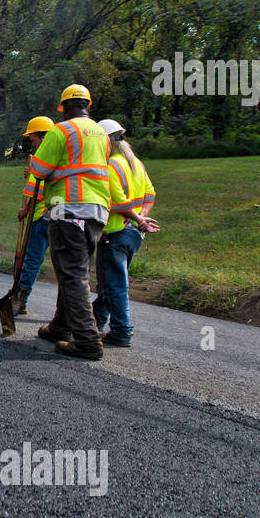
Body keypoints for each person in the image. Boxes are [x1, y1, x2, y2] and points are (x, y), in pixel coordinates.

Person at [26, 85, 113, 360]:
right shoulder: (101, 133)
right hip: (97, 212)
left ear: (63, 108)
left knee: (73, 276)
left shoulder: (60, 131)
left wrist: (32, 163)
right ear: (88, 104)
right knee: (71, 270)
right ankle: (61, 327)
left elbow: (39, 170)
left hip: (69, 210)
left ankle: (87, 340)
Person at [93, 119, 160, 347]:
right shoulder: (136, 163)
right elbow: (149, 195)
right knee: (110, 282)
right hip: (134, 235)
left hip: (115, 232)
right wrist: (141, 218)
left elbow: (118, 203)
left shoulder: (111, 166)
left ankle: (121, 331)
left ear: (106, 141)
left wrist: (137, 218)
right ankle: (95, 322)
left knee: (114, 285)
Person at [0, 115, 55, 316]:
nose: (32, 142)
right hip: (53, 215)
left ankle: (18, 301)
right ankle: (19, 298)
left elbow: (35, 190)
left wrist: (25, 210)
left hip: (40, 216)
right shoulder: (59, 153)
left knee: (31, 260)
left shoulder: (44, 154)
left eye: (33, 139)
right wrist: (31, 174)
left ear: (42, 136)